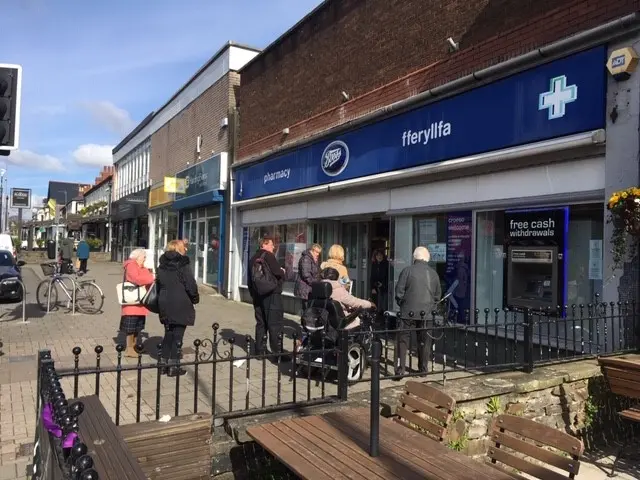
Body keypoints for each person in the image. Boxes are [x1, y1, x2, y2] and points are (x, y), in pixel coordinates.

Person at [394, 246, 442, 376]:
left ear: (414, 257)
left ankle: (400, 369)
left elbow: (399, 292)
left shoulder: (407, 271)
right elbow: (438, 296)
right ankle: (423, 369)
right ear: (427, 258)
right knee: (425, 342)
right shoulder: (433, 274)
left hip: (408, 312)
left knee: (403, 340)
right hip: (426, 313)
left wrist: (403, 304)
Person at [157, 239, 200, 377]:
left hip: (165, 302)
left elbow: (159, 284)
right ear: (178, 249)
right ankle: (174, 366)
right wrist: (195, 298)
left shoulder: (161, 265)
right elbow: (190, 284)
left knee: (168, 333)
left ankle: (163, 364)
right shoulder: (182, 264)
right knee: (178, 335)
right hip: (180, 302)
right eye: (184, 247)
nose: (186, 249)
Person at [248, 236, 289, 358]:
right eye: (271, 244)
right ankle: (278, 353)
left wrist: (253, 294)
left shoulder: (253, 258)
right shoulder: (268, 256)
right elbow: (277, 272)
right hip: (272, 295)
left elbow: (250, 279)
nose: (273, 247)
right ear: (264, 244)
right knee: (275, 323)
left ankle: (260, 351)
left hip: (257, 295)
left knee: (261, 323)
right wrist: (283, 271)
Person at [119, 249, 155, 358]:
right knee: (130, 327)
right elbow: (137, 279)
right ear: (137, 257)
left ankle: (134, 346)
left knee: (137, 326)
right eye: (143, 257)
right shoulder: (131, 265)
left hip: (139, 302)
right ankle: (129, 349)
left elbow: (147, 278)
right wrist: (151, 277)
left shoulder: (142, 267)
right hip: (132, 303)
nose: (145, 259)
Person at [294, 243, 322, 311]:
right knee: (307, 309)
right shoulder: (306, 259)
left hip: (309, 287)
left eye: (319, 253)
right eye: (316, 252)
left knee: (308, 309)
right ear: (312, 250)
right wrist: (315, 284)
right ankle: (305, 321)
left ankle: (306, 321)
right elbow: (306, 275)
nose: (318, 254)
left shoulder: (312, 258)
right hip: (306, 288)